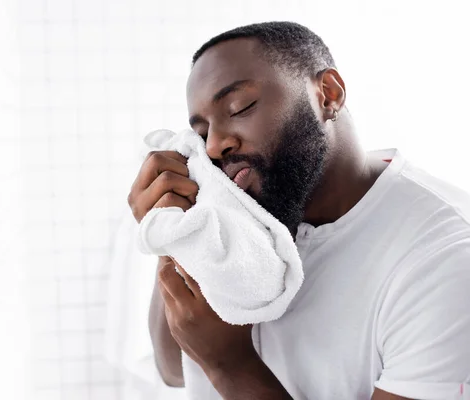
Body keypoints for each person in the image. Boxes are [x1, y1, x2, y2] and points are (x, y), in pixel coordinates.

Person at [127, 21, 470, 399]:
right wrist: (175, 232)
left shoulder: (446, 255)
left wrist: (229, 363)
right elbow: (174, 369)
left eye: (240, 107)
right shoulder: (236, 217)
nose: (213, 147)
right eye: (202, 132)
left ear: (328, 94)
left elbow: (210, 361)